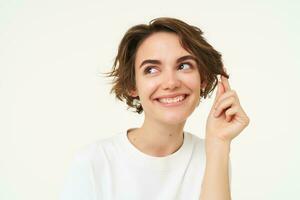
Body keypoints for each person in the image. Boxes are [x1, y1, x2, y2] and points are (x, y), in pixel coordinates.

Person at [60, 17, 250, 200]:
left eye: (184, 65)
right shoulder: (93, 162)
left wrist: (218, 143)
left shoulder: (211, 155)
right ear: (132, 86)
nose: (171, 83)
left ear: (203, 79)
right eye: (151, 69)